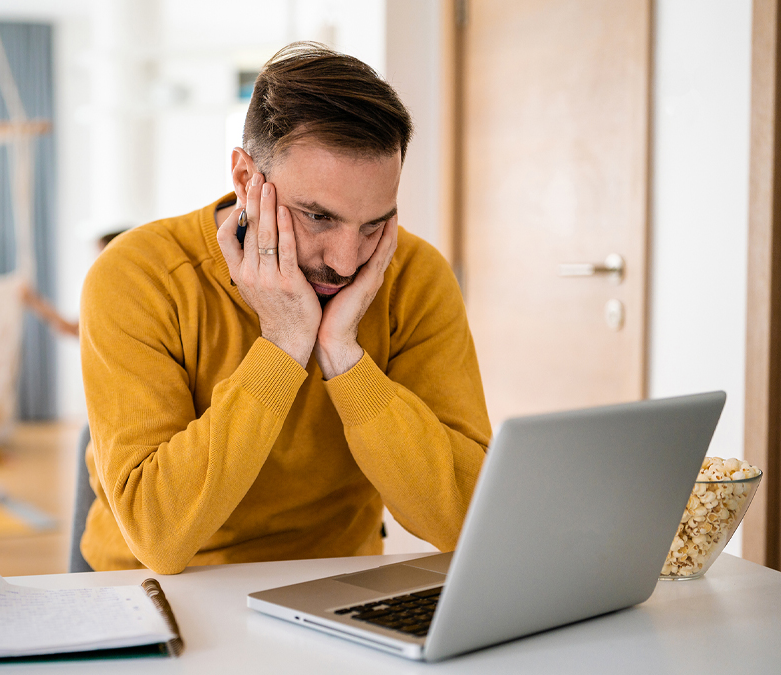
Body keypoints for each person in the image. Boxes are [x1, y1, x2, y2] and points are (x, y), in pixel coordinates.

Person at [78, 43, 491, 574]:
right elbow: (159, 537)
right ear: (247, 180)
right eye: (317, 217)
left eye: (373, 225)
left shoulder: (415, 275)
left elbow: (463, 520)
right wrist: (283, 344)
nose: (345, 262)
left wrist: (342, 354)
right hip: (157, 591)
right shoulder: (139, 275)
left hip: (333, 585)